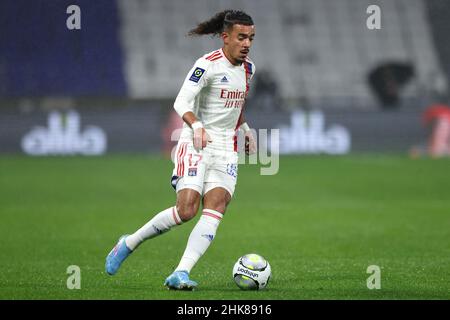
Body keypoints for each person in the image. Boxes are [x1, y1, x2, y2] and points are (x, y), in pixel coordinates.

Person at [105, 10, 257, 290]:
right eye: (241, 37)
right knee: (186, 210)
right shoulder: (207, 65)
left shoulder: (248, 69)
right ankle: (128, 243)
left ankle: (180, 272)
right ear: (225, 37)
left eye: (250, 38)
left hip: (225, 147)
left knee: (216, 206)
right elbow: (182, 101)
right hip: (195, 142)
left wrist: (246, 131)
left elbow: (237, 107)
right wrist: (197, 126)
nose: (246, 44)